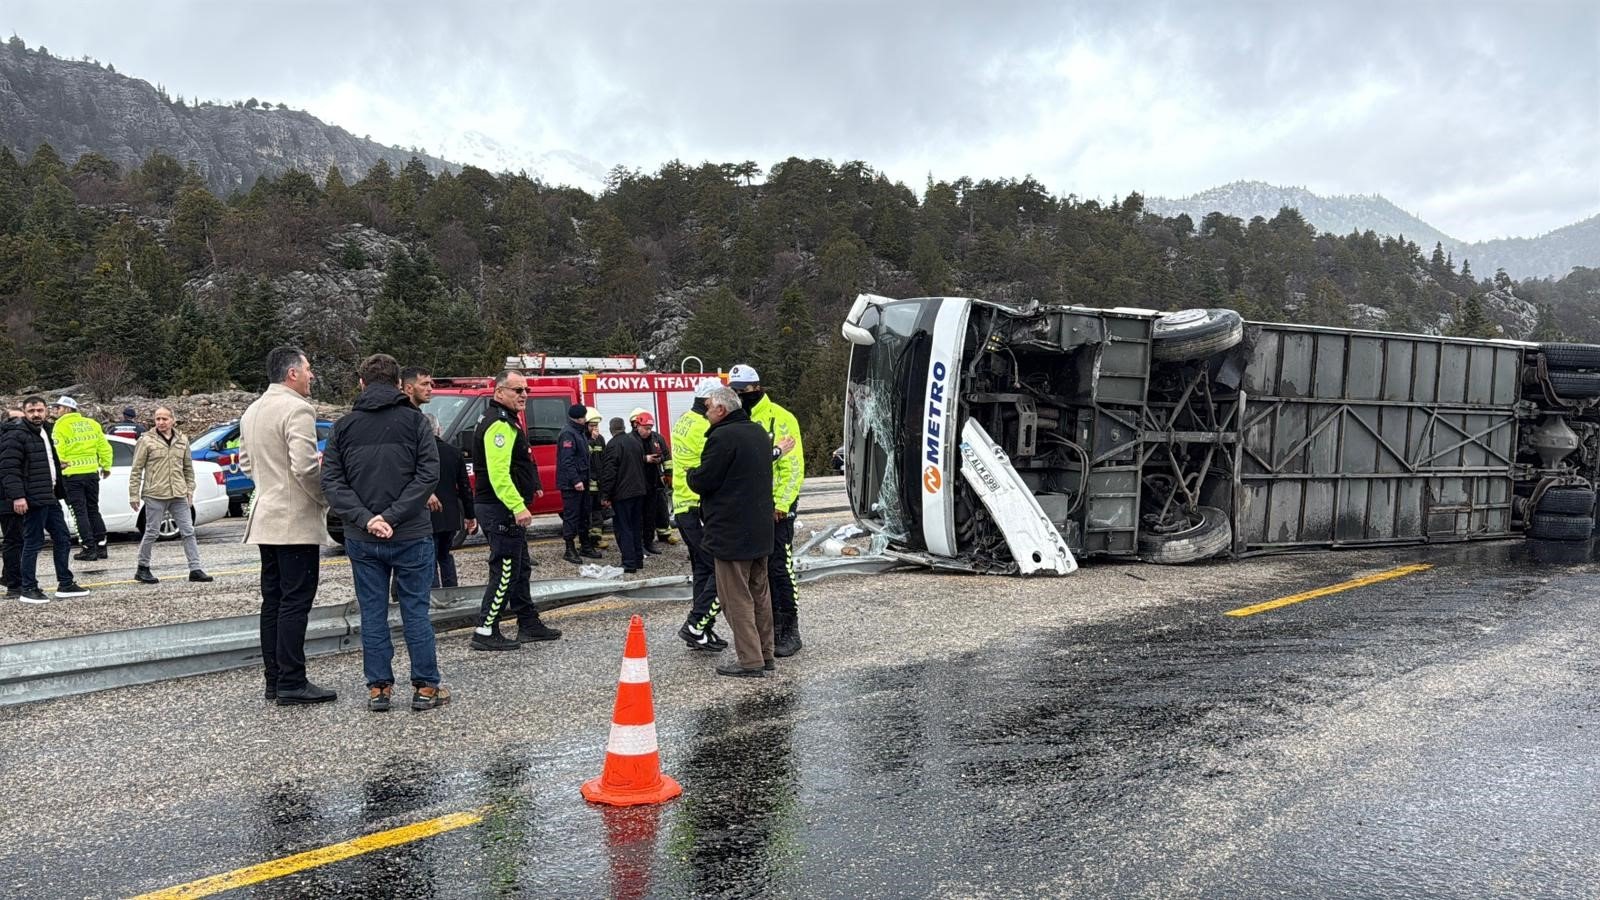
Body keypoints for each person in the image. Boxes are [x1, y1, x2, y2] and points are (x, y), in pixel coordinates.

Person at [323, 353, 449, 712]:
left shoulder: (343, 427)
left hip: (363, 538)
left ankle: (379, 687)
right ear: (398, 384)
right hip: (410, 532)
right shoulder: (416, 422)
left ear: (361, 384)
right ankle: (426, 686)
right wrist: (393, 516)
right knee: (415, 610)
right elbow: (427, 475)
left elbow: (332, 481)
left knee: (373, 612)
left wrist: (367, 519)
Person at [240, 347, 337, 706]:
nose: (312, 376)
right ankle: (293, 681)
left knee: (274, 601)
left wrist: (269, 487)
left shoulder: (252, 411)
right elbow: (305, 467)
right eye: (309, 369)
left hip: (266, 516)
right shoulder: (298, 409)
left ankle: (275, 679)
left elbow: (246, 463)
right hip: (294, 519)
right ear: (292, 374)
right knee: (296, 602)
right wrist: (323, 499)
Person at [686, 386, 775, 678]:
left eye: (709, 407)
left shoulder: (722, 437)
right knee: (759, 595)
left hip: (732, 532)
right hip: (760, 529)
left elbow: (705, 480)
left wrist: (689, 474)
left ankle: (750, 661)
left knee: (735, 599)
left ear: (722, 410)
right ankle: (765, 653)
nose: (706, 411)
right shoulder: (758, 432)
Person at [470, 370, 560, 651]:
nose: (524, 395)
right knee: (506, 568)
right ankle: (485, 629)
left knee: (521, 568)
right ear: (499, 393)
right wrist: (517, 506)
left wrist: (531, 485)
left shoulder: (507, 421)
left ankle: (528, 623)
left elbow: (519, 462)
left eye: (526, 390)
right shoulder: (499, 424)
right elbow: (499, 474)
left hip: (502, 507)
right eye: (517, 390)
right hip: (500, 509)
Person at [728, 363, 806, 657]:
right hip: (747, 507)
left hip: (775, 508)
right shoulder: (736, 420)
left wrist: (783, 505)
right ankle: (766, 627)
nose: (737, 396)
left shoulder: (780, 418)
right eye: (733, 391)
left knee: (778, 567)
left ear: (756, 388)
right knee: (754, 571)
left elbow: (793, 467)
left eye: (741, 391)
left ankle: (789, 628)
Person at [0, 397, 89, 603]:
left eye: (40, 410)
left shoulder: (46, 431)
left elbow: (49, 461)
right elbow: (9, 469)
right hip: (32, 497)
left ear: (46, 411)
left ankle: (65, 583)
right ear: (25, 412)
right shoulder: (16, 435)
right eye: (31, 411)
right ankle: (28, 587)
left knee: (63, 538)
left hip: (49, 496)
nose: (36, 414)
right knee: (32, 542)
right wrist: (18, 496)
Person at [673, 378, 729, 651]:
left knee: (702, 570)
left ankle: (703, 631)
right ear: (710, 401)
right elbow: (717, 465)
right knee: (721, 570)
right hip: (698, 507)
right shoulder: (705, 427)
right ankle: (695, 625)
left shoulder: (683, 419)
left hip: (684, 505)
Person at [128, 407, 212, 585]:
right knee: (151, 531)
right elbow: (136, 469)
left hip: (178, 494)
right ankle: (142, 568)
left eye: (164, 418)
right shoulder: (146, 440)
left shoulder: (182, 440)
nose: (161, 422)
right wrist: (133, 495)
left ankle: (195, 569)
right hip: (155, 494)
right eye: (157, 418)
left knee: (188, 531)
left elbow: (188, 468)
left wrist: (190, 489)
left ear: (173, 420)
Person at [51, 395, 112, 561]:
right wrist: (106, 466)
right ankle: (101, 546)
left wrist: (57, 469)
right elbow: (104, 447)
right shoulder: (92, 424)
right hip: (92, 473)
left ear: (68, 409)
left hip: (71, 475)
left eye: (58, 407)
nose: (55, 410)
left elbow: (58, 450)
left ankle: (88, 548)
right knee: (93, 509)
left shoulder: (60, 426)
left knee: (79, 512)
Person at [426, 413, 475, 588]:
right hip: (450, 514)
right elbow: (465, 487)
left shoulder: (418, 453)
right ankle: (451, 590)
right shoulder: (453, 452)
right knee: (445, 555)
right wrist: (470, 515)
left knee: (428, 559)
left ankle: (434, 595)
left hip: (427, 516)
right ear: (438, 429)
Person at [601, 410, 650, 574]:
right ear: (622, 427)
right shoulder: (635, 442)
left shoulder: (613, 445)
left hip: (622, 494)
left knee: (623, 528)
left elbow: (609, 473)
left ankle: (629, 563)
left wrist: (605, 495)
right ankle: (637, 559)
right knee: (636, 526)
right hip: (639, 491)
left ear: (611, 429)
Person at [556, 403, 599, 565]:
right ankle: (569, 548)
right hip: (572, 485)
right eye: (584, 417)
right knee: (571, 516)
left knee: (584, 514)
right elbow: (567, 461)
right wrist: (576, 481)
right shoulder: (568, 434)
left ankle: (585, 545)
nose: (585, 419)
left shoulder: (579, 432)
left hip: (583, 481)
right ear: (580, 418)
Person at [630, 408, 675, 552]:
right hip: (638, 484)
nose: (648, 431)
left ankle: (649, 543)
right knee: (639, 517)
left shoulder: (657, 438)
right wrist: (645, 459)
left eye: (650, 428)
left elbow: (666, 456)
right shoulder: (630, 440)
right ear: (637, 425)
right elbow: (628, 460)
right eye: (646, 428)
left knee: (650, 516)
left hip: (654, 482)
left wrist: (668, 473)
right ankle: (639, 544)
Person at [0, 410, 24, 599]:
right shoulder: (15, 439)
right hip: (10, 497)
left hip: (6, 497)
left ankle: (8, 577)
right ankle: (14, 583)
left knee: (12, 540)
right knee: (15, 541)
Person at [584, 408, 608, 552]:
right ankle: (586, 541)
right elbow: (585, 458)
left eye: (596, 426)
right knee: (587, 514)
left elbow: (603, 459)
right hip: (587, 485)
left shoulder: (600, 439)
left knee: (598, 513)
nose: (594, 428)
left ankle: (596, 539)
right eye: (592, 425)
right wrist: (591, 441)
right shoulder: (583, 439)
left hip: (598, 483)